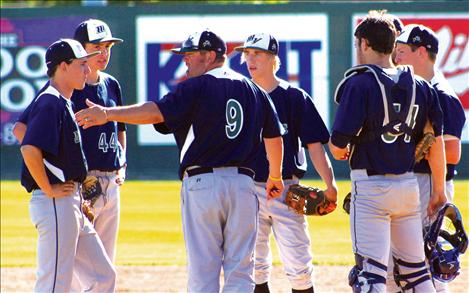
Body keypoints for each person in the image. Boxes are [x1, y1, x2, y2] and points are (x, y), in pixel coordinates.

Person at [75, 29, 285, 293]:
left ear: (210, 56)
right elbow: (275, 137)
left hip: (203, 185)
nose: (185, 60)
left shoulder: (195, 87)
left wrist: (107, 113)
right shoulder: (254, 89)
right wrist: (275, 176)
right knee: (241, 271)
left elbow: (154, 113)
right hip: (244, 186)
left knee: (203, 271)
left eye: (190, 54)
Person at [328, 11, 446, 293]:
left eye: (358, 44)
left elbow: (337, 144)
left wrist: (340, 150)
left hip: (371, 187)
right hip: (407, 187)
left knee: (370, 275)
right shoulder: (420, 85)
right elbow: (434, 140)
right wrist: (439, 189)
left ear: (365, 44)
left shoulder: (358, 83)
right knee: (416, 273)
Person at [13, 20, 126, 290]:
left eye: (106, 47)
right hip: (62, 196)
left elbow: (119, 130)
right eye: (83, 61)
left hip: (80, 193)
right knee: (58, 281)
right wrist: (50, 184)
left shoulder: (70, 96)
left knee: (102, 274)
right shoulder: (51, 99)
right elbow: (27, 142)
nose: (93, 63)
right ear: (64, 65)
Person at [234, 33, 338, 293]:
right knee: (253, 266)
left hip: (286, 189)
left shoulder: (294, 97)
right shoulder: (240, 95)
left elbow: (315, 144)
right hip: (247, 187)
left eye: (256, 53)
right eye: (247, 54)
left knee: (299, 264)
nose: (250, 59)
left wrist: (330, 184)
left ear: (272, 58)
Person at [391, 24, 467, 292]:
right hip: (417, 181)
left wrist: (415, 149)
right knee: (404, 260)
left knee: (425, 260)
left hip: (430, 183)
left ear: (421, 52)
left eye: (401, 52)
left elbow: (453, 153)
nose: (395, 58)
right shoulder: (418, 90)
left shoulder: (441, 94)